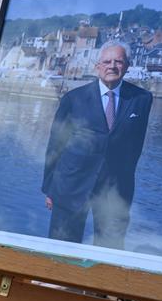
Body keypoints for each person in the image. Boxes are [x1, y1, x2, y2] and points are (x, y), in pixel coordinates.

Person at [42, 40, 152, 249]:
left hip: (115, 190)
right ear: (97, 66)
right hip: (71, 185)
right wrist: (50, 188)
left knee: (110, 249)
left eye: (119, 61)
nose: (112, 66)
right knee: (62, 249)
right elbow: (55, 146)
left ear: (127, 66)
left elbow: (135, 146)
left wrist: (125, 180)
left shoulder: (142, 99)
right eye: (107, 61)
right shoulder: (73, 99)